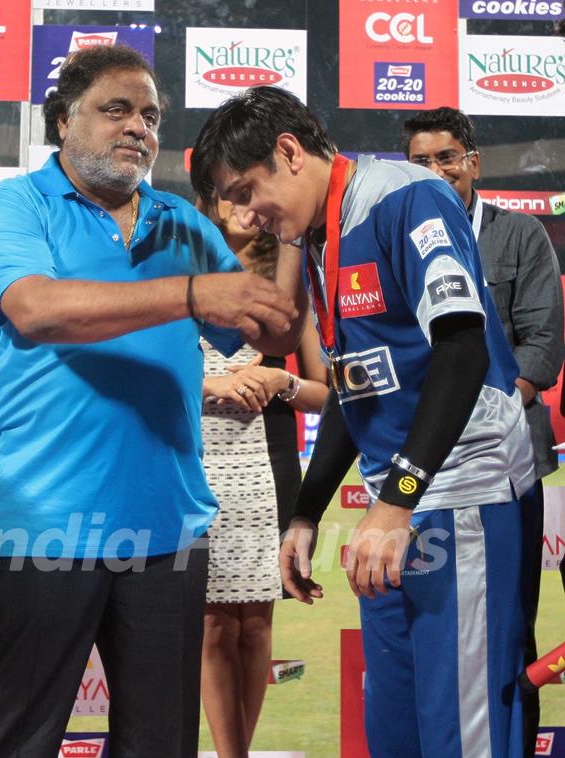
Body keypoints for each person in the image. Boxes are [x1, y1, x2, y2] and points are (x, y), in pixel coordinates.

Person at [0, 47, 298, 758]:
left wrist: (289, 236)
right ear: (62, 122)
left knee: (159, 745)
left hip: (167, 529)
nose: (137, 126)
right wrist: (195, 293)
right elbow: (36, 309)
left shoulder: (182, 222)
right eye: (116, 109)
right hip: (42, 524)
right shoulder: (12, 206)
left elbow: (268, 325)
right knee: (9, 742)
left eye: (149, 115)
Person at [190, 86, 536, 758]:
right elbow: (357, 387)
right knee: (396, 734)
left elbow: (462, 350)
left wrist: (396, 503)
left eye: (243, 189)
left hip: (459, 498)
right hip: (399, 510)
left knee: (463, 737)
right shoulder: (322, 234)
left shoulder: (404, 196)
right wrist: (306, 513)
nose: (243, 214)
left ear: (288, 152)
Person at [401, 106, 564, 757]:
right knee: (441, 635)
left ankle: (516, 744)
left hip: (512, 471)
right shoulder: (401, 244)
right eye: (421, 162)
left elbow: (543, 346)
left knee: (511, 629)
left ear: (473, 162)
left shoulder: (520, 237)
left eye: (447, 157)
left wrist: (479, 423)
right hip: (423, 475)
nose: (436, 172)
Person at [198, 197, 328, 757]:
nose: (240, 207)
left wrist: (281, 381)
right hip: (196, 465)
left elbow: (328, 391)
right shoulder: (179, 281)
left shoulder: (288, 289)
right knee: (212, 627)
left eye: (247, 193)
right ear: (206, 201)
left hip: (268, 468)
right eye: (226, 193)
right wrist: (211, 386)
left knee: (254, 625)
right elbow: (149, 373)